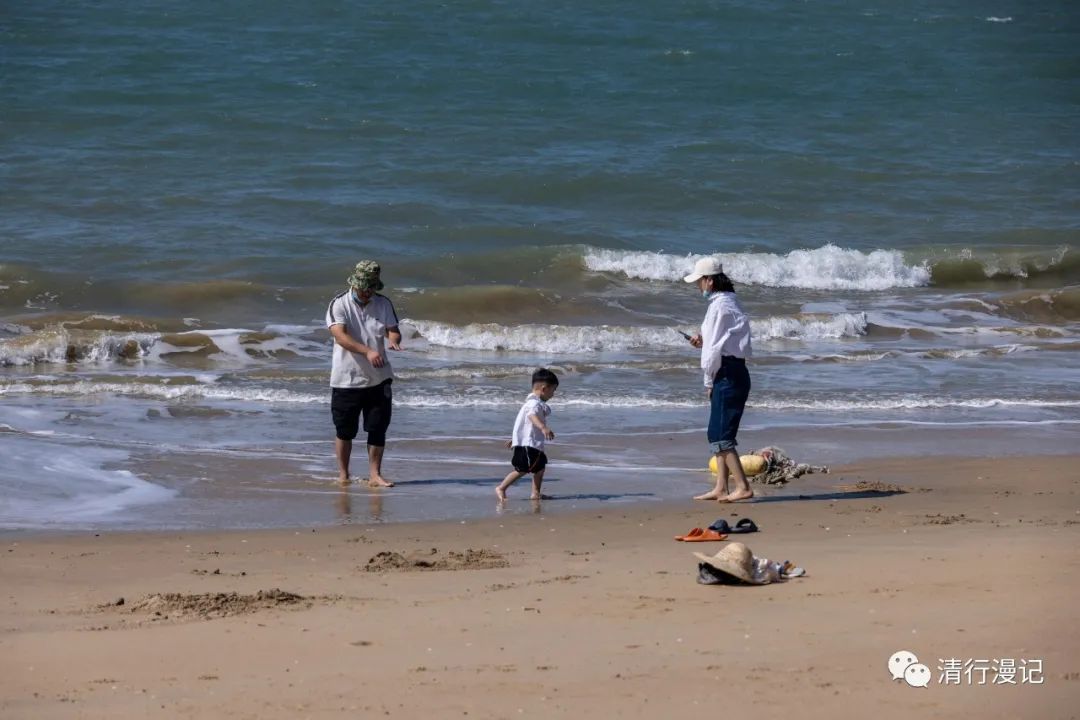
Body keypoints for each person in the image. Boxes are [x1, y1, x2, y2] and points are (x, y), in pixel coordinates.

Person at [326, 260, 402, 488]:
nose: (368, 292)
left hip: (379, 378)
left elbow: (393, 330)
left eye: (371, 287)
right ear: (355, 283)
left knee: (378, 428)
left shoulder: (383, 303)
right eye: (364, 287)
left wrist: (394, 340)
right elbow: (340, 336)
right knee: (344, 430)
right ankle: (343, 474)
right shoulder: (339, 304)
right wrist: (368, 351)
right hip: (346, 379)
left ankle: (375, 475)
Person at [683, 256, 754, 502]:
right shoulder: (728, 303)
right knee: (717, 434)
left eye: (699, 281)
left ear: (710, 281)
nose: (698, 286)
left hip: (727, 373)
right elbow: (719, 342)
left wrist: (708, 381)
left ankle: (742, 486)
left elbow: (713, 351)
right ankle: (721, 487)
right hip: (733, 371)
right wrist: (701, 342)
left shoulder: (719, 307)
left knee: (722, 435)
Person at [496, 368, 559, 502]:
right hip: (529, 444)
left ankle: (535, 493)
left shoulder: (532, 403)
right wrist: (543, 427)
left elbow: (522, 424)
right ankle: (501, 488)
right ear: (544, 389)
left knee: (540, 468)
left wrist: (515, 439)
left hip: (531, 444)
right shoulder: (534, 404)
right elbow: (531, 416)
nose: (554, 394)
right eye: (553, 390)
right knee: (523, 469)